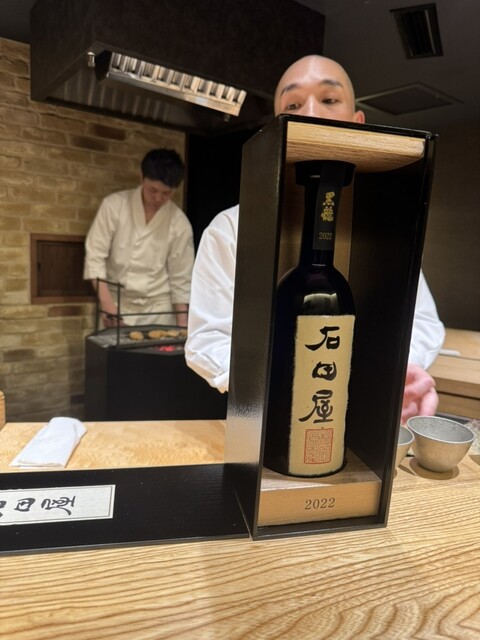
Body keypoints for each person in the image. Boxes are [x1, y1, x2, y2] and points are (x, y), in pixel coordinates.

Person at [185, 55, 445, 423]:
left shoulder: (384, 230)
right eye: (292, 105)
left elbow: (420, 321)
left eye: (329, 99)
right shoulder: (230, 228)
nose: (310, 112)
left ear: (357, 122)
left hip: (361, 415)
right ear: (275, 126)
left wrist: (401, 370)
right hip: (263, 418)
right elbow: (208, 337)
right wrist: (286, 384)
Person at [84, 148, 194, 328]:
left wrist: (183, 327)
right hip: (116, 303)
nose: (158, 198)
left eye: (166, 193)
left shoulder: (180, 222)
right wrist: (107, 305)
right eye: (153, 190)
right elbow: (95, 257)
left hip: (159, 310)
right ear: (141, 177)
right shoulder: (114, 206)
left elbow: (181, 277)